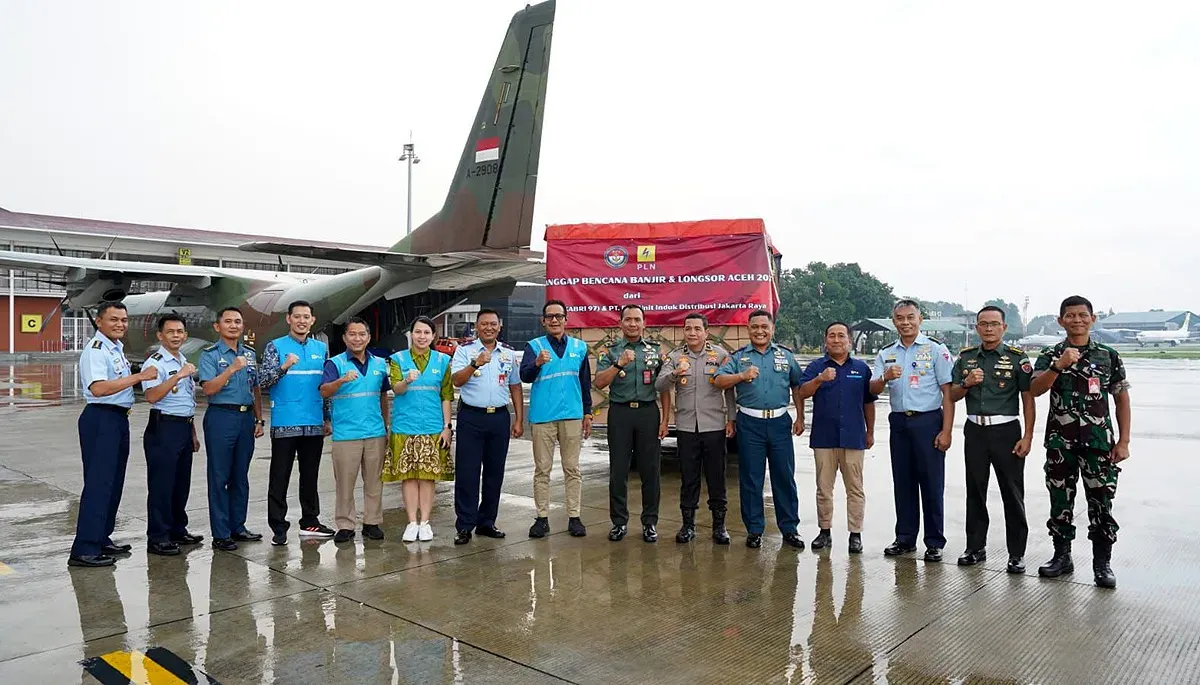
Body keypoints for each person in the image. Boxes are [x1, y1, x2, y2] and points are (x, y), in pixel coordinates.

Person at [1030, 295, 1130, 588]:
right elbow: (1035, 389)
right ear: (1060, 321)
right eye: (1070, 316)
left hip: (1099, 444)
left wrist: (1123, 441)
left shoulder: (1108, 355)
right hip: (1061, 444)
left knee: (1101, 502)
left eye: (1082, 315)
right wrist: (1058, 366)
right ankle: (1062, 557)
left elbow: (1121, 398)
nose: (1077, 320)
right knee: (1060, 499)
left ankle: (1102, 564)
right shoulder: (1050, 354)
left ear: (1093, 319)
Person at [69, 301, 158, 567]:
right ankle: (84, 549)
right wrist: (139, 377)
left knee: (113, 483)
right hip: (101, 418)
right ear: (99, 321)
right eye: (114, 320)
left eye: (124, 320)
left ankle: (101, 537)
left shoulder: (116, 348)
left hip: (118, 418)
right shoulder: (97, 350)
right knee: (99, 484)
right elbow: (98, 389)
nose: (120, 324)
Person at [950, 305, 1035, 574]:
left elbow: (1028, 398)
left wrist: (1028, 436)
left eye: (994, 323)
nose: (988, 328)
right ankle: (975, 548)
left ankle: (1017, 553)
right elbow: (951, 395)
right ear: (976, 328)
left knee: (1012, 493)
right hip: (975, 430)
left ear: (1004, 327)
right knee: (975, 491)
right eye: (983, 324)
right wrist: (966, 383)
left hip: (1006, 431)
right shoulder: (965, 359)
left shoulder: (1017, 358)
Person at [714, 309, 806, 550]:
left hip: (779, 423)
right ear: (748, 329)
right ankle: (754, 529)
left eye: (764, 326)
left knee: (784, 477)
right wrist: (741, 376)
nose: (760, 331)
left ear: (772, 328)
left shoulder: (785, 356)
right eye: (755, 327)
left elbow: (798, 386)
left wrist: (800, 416)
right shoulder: (739, 357)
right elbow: (718, 381)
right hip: (750, 424)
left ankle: (789, 528)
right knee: (752, 479)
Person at [870, 300, 954, 562]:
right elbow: (872, 389)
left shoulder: (936, 350)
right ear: (893, 321)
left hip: (928, 422)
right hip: (899, 423)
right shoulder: (886, 353)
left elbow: (948, 393)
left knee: (931, 484)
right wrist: (884, 377)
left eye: (910, 317)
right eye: (899, 318)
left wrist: (947, 430)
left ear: (920, 319)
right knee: (903, 483)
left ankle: (934, 541)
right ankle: (905, 538)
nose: (905, 322)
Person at [655, 312, 735, 544]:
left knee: (716, 476)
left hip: (714, 426)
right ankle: (687, 525)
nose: (692, 333)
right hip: (687, 427)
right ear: (684, 331)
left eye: (697, 329)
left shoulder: (720, 356)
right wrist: (674, 373)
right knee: (689, 477)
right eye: (688, 329)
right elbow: (660, 384)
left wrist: (731, 418)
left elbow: (729, 389)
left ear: (705, 332)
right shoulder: (675, 357)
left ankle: (719, 526)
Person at [796, 321, 877, 554]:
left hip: (853, 437)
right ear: (826, 341)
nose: (836, 340)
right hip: (824, 437)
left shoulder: (861, 369)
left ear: (849, 341)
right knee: (824, 488)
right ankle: (825, 531)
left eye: (841, 336)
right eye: (832, 336)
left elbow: (868, 402)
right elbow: (802, 392)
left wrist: (869, 431)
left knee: (855, 488)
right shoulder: (816, 367)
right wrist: (820, 379)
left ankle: (855, 533)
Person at [259, 300, 334, 545]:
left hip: (313, 422)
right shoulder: (275, 347)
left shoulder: (321, 348)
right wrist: (284, 366)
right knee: (279, 476)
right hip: (285, 422)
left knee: (310, 476)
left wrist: (327, 417)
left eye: (306, 317)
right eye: (297, 316)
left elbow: (324, 386)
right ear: (288, 319)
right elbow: (263, 382)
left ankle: (310, 521)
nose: (302, 320)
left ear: (313, 320)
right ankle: (278, 528)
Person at [594, 304, 670, 543]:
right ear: (620, 323)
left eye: (637, 320)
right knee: (618, 471)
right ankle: (619, 522)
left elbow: (664, 387)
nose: (633, 324)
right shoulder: (610, 351)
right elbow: (599, 383)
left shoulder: (656, 352)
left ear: (644, 323)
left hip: (648, 413)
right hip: (620, 413)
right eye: (628, 320)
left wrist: (665, 418)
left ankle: (650, 523)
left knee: (651, 471)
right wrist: (619, 365)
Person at [450, 309, 524, 545]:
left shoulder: (509, 354)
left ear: (499, 327)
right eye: (484, 324)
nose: (489, 328)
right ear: (477, 327)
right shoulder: (465, 351)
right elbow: (457, 381)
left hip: (499, 418)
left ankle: (487, 522)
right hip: (471, 417)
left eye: (493, 324)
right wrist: (475, 363)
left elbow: (515, 386)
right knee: (467, 473)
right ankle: (464, 525)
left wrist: (519, 419)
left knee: (494, 473)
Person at [519, 299, 592, 539]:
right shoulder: (534, 347)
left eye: (559, 316)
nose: (554, 320)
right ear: (543, 321)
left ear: (565, 320)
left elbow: (584, 384)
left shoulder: (579, 348)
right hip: (543, 416)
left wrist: (588, 412)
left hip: (572, 414)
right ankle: (541, 518)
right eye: (549, 316)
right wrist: (537, 363)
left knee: (572, 468)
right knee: (542, 469)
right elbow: (525, 376)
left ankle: (574, 516)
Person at [198, 307, 265, 552]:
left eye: (238, 321)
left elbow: (255, 388)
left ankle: (238, 525)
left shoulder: (248, 354)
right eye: (228, 321)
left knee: (240, 476)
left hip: (245, 419)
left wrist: (259, 419)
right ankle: (221, 533)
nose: (234, 325)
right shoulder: (210, 355)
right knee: (219, 477)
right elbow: (208, 389)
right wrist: (231, 369)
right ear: (218, 326)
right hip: (221, 416)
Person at [319, 317, 390, 543]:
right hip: (346, 435)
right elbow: (324, 391)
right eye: (352, 334)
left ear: (368, 337)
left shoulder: (380, 364)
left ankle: (371, 522)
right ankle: (345, 525)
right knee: (345, 483)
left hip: (375, 433)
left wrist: (385, 427)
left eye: (362, 334)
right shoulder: (335, 364)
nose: (357, 338)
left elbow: (383, 397)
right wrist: (340, 380)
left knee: (374, 481)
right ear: (344, 337)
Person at [385, 316, 454, 543]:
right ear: (411, 334)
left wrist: (447, 427)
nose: (422, 336)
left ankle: (424, 522)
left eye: (426, 332)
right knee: (408, 477)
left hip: (433, 427)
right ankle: (411, 522)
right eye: (418, 332)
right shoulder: (398, 359)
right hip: (405, 426)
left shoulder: (443, 361)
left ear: (433, 336)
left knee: (427, 477)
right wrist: (406, 380)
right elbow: (397, 389)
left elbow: (446, 396)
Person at [140, 314, 203, 556]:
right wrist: (177, 376)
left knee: (180, 484)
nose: (176, 336)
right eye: (171, 332)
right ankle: (157, 537)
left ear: (185, 335)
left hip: (183, 427)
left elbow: (187, 401)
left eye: (180, 332)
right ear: (160, 335)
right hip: (163, 427)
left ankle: (177, 529)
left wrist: (193, 432)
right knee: (162, 485)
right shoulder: (156, 363)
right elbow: (152, 396)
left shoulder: (182, 359)